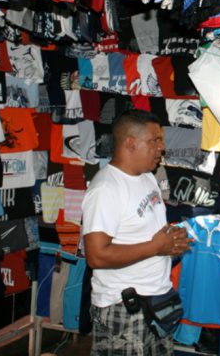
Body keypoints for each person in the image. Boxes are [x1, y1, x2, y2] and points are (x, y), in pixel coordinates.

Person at [82, 110, 192, 356]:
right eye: (155, 140)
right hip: (123, 308)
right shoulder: (106, 189)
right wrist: (157, 247)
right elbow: (96, 256)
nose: (161, 148)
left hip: (156, 303)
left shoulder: (147, 178)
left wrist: (171, 239)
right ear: (130, 142)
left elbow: (148, 232)